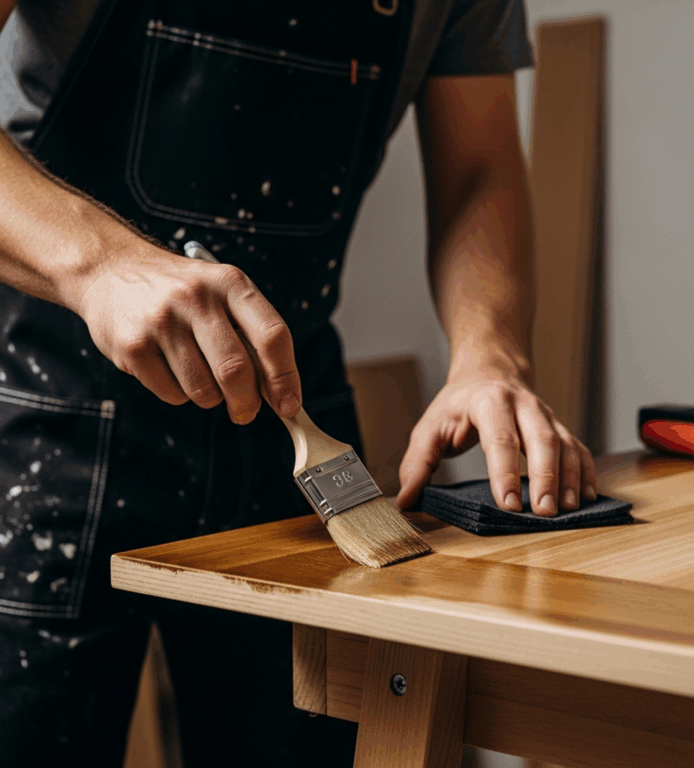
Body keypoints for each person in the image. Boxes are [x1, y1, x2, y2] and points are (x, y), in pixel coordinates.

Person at [0, 0, 596, 765]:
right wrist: (100, 265)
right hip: (41, 417)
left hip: (293, 428)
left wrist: (491, 354)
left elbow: (480, 165)